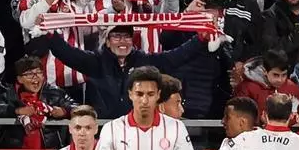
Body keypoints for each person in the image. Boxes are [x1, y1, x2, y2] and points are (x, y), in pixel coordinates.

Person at [47, 24, 213, 119]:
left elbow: (174, 58)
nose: (122, 41)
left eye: (127, 37)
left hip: (137, 132)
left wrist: (199, 39)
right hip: (104, 131)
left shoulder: (144, 62)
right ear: (107, 41)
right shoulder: (95, 62)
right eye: (117, 36)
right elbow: (67, 54)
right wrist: (49, 34)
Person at [0, 56, 76, 149]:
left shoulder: (55, 93)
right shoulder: (8, 95)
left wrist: (64, 111)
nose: (35, 77)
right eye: (29, 74)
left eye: (39, 73)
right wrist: (16, 111)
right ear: (20, 79)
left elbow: (79, 108)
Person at [17, 0, 88, 102]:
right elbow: (26, 22)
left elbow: (92, 30)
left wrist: (114, 10)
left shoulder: (76, 3)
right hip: (41, 81)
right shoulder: (29, 1)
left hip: (74, 79)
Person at [235, 49, 299, 117]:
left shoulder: (293, 88)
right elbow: (241, 118)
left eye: (284, 75)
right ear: (265, 71)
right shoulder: (246, 88)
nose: (280, 80)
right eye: (275, 75)